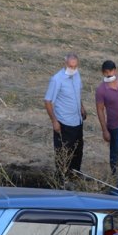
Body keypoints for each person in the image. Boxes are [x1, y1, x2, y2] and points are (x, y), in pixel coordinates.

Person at [44, 53, 87, 184]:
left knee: (77, 150)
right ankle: (62, 180)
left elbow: (77, 93)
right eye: (70, 66)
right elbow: (48, 101)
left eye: (75, 66)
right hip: (64, 122)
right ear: (65, 64)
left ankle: (75, 175)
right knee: (64, 153)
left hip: (77, 121)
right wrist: (54, 121)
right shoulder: (57, 79)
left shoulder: (77, 75)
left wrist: (81, 107)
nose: (73, 69)